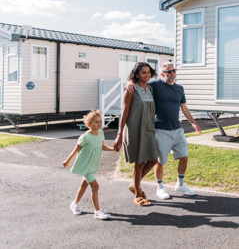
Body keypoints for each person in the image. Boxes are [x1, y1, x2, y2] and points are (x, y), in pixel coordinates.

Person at [126, 62, 201, 200]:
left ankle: (180, 184)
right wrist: (130, 81)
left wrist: (193, 123)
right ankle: (160, 187)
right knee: (160, 161)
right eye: (168, 72)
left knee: (184, 157)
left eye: (174, 71)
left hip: (177, 129)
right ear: (162, 74)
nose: (172, 74)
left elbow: (183, 107)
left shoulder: (179, 88)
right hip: (161, 130)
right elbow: (140, 80)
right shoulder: (155, 86)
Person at [114, 62, 159, 206]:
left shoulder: (151, 88)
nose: (146, 75)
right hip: (135, 129)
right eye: (143, 73)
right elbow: (125, 112)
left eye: (148, 72)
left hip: (148, 129)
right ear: (136, 74)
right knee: (139, 163)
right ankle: (138, 195)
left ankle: (134, 184)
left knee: (153, 160)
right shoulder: (131, 89)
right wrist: (119, 135)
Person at [63, 110, 114, 220]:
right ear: (88, 124)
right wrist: (67, 161)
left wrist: (113, 149)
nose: (99, 123)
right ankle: (97, 211)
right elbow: (75, 150)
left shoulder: (100, 133)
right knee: (95, 186)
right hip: (85, 165)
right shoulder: (85, 137)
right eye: (96, 122)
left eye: (100, 121)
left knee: (84, 184)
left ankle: (75, 203)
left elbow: (102, 147)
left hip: (92, 164)